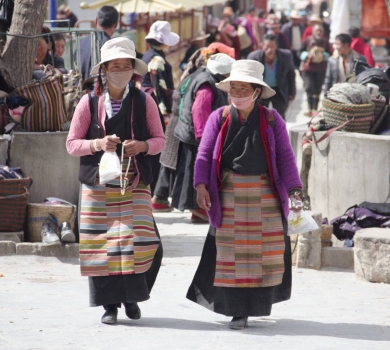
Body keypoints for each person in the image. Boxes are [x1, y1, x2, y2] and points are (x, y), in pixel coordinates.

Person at [186, 59, 303, 330]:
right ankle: (236, 311)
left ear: (257, 92)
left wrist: (295, 191)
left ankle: (256, 308)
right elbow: (203, 155)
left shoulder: (273, 120)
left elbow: (285, 158)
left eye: (243, 89)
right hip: (229, 195)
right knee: (231, 255)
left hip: (265, 195)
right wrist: (201, 186)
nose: (237, 94)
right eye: (233, 89)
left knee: (264, 254)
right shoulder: (220, 117)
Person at [66, 37, 165, 325]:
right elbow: (72, 144)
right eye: (115, 65)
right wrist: (98, 144)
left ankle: (132, 297)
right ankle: (109, 306)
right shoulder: (88, 102)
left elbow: (160, 140)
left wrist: (143, 146)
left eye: (126, 65)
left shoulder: (145, 101)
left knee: (142, 242)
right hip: (97, 186)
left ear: (133, 70)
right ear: (104, 69)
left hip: (133, 184)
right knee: (101, 245)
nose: (120, 70)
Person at [172, 53, 235, 223]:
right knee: (196, 173)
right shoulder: (207, 84)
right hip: (196, 136)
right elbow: (200, 111)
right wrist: (204, 138)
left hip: (193, 134)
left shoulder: (206, 77)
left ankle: (200, 210)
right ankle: (200, 210)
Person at [141, 21, 179, 202]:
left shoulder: (148, 55)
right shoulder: (157, 60)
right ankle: (155, 191)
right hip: (154, 107)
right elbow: (160, 89)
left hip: (146, 104)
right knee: (157, 147)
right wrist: (166, 111)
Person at [248, 34, 296, 119]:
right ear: (262, 46)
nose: (269, 49)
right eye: (267, 46)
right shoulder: (253, 57)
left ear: (276, 46)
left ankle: (279, 132)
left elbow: (291, 74)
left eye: (272, 46)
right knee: (259, 116)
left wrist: (292, 92)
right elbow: (249, 77)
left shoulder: (286, 56)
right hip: (261, 90)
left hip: (279, 89)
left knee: (280, 116)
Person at [75, 5, 118, 81]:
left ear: (96, 21)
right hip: (100, 91)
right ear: (116, 24)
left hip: (80, 90)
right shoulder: (111, 46)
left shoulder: (81, 43)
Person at [300, 24, 331, 116]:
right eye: (317, 30)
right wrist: (306, 56)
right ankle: (309, 107)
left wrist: (325, 56)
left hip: (321, 69)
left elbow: (330, 53)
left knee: (317, 89)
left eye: (320, 31)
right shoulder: (307, 40)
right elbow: (300, 52)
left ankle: (315, 109)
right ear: (313, 31)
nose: (319, 32)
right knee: (309, 87)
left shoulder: (325, 42)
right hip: (308, 69)